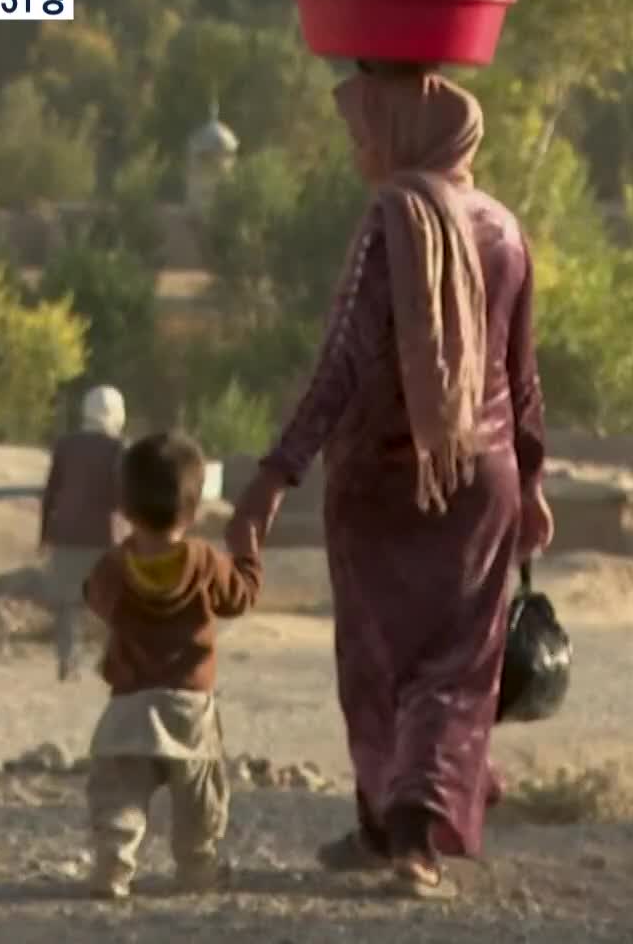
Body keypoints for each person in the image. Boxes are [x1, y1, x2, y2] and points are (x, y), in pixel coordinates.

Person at [228, 66, 553, 901]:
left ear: (406, 133)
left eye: (365, 131)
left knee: (379, 659)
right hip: (483, 481)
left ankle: (405, 836)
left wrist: (273, 475)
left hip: (379, 480)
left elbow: (342, 361)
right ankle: (395, 829)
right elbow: (523, 381)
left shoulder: (393, 219)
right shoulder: (506, 230)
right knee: (456, 660)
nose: (358, 150)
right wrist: (536, 482)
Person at [80, 431, 262, 898]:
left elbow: (92, 597)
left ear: (124, 506)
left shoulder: (115, 566)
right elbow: (239, 598)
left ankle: (113, 865)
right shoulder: (205, 560)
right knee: (200, 797)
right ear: (195, 508)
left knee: (121, 793)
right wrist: (247, 554)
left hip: (129, 704)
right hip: (189, 706)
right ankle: (197, 869)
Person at [38, 385, 128, 680]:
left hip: (64, 533)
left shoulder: (65, 445)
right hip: (103, 536)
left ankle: (68, 662)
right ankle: (110, 662)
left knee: (68, 604)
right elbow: (123, 495)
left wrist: (44, 535)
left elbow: (51, 491)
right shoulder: (118, 448)